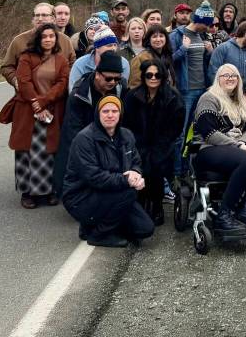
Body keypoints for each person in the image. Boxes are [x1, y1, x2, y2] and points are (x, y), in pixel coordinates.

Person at [190, 64, 246, 237]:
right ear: (218, 79)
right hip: (208, 149)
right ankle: (224, 214)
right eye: (225, 75)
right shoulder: (209, 98)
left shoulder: (239, 101)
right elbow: (209, 134)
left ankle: (245, 208)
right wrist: (237, 145)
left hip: (234, 149)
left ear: (238, 81)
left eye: (234, 76)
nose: (230, 79)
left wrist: (243, 142)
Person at [62, 95, 154, 248]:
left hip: (111, 192)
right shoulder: (84, 139)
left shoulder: (126, 135)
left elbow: (136, 161)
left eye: (114, 111)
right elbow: (94, 177)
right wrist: (126, 180)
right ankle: (98, 235)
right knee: (129, 192)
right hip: (81, 196)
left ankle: (91, 226)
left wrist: (136, 174)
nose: (110, 115)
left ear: (120, 114)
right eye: (105, 111)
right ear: (98, 114)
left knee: (145, 229)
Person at [8, 23, 69, 209]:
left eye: (52, 36)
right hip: (27, 111)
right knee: (26, 152)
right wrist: (36, 104)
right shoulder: (26, 57)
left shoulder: (61, 60)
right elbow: (23, 81)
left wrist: (44, 101)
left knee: (49, 151)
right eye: (44, 36)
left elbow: (62, 83)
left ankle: (50, 190)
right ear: (38, 39)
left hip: (52, 111)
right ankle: (27, 193)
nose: (48, 39)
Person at [121, 60, 183, 226]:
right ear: (143, 76)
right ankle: (141, 207)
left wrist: (162, 144)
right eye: (149, 74)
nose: (153, 78)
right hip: (138, 143)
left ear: (163, 76)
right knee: (141, 172)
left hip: (162, 144)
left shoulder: (173, 97)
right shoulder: (132, 96)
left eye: (157, 74)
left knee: (157, 172)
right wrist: (136, 144)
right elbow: (126, 123)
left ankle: (157, 207)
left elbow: (176, 125)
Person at [54, 52, 123, 196]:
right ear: (97, 74)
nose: (113, 82)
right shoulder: (79, 94)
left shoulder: (120, 88)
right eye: (108, 78)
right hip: (83, 135)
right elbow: (73, 131)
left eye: (117, 78)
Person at [0, 3, 76, 90]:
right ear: (33, 19)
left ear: (53, 19)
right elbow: (6, 67)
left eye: (44, 15)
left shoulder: (65, 41)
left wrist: (64, 81)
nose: (40, 19)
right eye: (37, 15)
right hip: (28, 97)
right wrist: (15, 80)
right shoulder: (19, 41)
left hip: (58, 96)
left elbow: (73, 64)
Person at [170, 0, 214, 138]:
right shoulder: (176, 35)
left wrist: (209, 52)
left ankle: (187, 160)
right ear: (199, 21)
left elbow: (201, 62)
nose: (209, 28)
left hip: (201, 89)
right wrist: (183, 49)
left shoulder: (200, 36)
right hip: (185, 90)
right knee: (181, 132)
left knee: (192, 132)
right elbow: (168, 61)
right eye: (207, 24)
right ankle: (178, 160)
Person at [69, 26, 129, 91]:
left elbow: (122, 90)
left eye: (115, 45)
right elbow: (73, 91)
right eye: (109, 45)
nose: (113, 49)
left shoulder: (123, 63)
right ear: (97, 47)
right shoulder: (80, 64)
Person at [208, 20, 246, 89]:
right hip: (222, 94)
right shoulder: (223, 48)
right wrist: (223, 91)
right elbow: (213, 72)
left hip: (241, 96)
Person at [127, 24, 176, 89]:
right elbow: (135, 85)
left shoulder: (167, 56)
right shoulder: (140, 58)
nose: (158, 39)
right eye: (154, 36)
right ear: (149, 40)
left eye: (161, 36)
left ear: (166, 38)